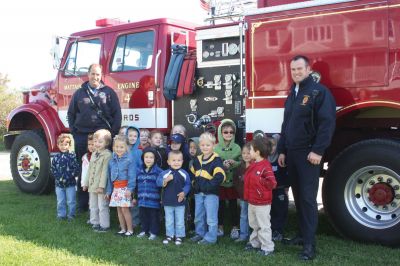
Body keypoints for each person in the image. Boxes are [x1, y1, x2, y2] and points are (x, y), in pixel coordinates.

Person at [277, 55, 336, 260]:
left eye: (299, 69)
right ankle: (302, 236)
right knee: (299, 197)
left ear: (309, 69)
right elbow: (286, 125)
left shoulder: (319, 92)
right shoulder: (292, 94)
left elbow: (326, 124)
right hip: (292, 154)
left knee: (308, 200)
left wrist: (318, 151)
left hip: (309, 154)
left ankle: (309, 246)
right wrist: (282, 150)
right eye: (293, 69)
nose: (296, 72)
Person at [67, 63, 122, 213]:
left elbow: (117, 115)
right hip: (82, 137)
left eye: (98, 74)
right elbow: (71, 114)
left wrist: (111, 134)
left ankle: (105, 204)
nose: (95, 77)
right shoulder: (79, 93)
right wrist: (74, 133)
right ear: (88, 74)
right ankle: (83, 204)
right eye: (93, 74)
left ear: (101, 75)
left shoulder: (109, 92)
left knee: (103, 170)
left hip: (103, 138)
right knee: (84, 170)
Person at [190, 132, 226, 245]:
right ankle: (200, 234)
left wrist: (207, 187)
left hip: (211, 194)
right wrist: (194, 185)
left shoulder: (216, 160)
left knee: (211, 217)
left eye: (208, 145)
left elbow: (220, 176)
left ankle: (211, 238)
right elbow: (192, 174)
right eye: (202, 145)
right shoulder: (197, 160)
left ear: (213, 145)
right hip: (198, 194)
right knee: (198, 216)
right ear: (199, 146)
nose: (205, 147)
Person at [244, 138, 277, 256]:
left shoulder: (265, 166)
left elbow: (272, 183)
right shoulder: (253, 164)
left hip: (262, 203)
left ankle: (267, 248)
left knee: (264, 225)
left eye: (251, 150)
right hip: (252, 201)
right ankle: (255, 243)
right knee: (254, 224)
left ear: (257, 152)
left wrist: (259, 181)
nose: (249, 152)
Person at [214, 119, 241, 239]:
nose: (229, 134)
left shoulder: (237, 148)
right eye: (225, 132)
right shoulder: (216, 148)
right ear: (220, 133)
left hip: (233, 182)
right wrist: (221, 165)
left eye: (231, 132)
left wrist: (234, 163)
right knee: (219, 205)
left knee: (233, 205)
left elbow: (242, 162)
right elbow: (213, 163)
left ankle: (235, 227)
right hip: (220, 183)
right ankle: (220, 226)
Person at [157, 150, 191, 245]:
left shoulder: (184, 173)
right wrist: (166, 180)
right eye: (174, 160)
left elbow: (188, 184)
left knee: (180, 220)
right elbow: (158, 182)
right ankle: (170, 235)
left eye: (179, 160)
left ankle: (179, 236)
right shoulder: (165, 173)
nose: (176, 162)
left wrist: (184, 192)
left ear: (182, 161)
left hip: (180, 201)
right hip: (167, 201)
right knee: (169, 220)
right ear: (168, 162)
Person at [83, 129, 113, 232]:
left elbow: (105, 172)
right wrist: (85, 183)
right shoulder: (94, 154)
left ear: (107, 143)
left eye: (100, 142)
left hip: (101, 187)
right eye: (95, 141)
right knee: (93, 205)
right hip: (92, 185)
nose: (97, 144)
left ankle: (104, 225)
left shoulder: (107, 155)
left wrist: (101, 186)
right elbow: (90, 170)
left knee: (102, 206)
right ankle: (94, 222)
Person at [106, 135, 136, 237]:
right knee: (119, 209)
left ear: (126, 147)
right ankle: (123, 229)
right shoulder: (112, 161)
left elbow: (132, 176)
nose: (119, 149)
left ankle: (130, 230)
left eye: (121, 147)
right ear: (113, 147)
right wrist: (109, 191)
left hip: (125, 188)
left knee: (125, 209)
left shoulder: (129, 160)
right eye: (117, 147)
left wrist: (130, 189)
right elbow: (109, 178)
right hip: (116, 188)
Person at [51, 134, 80, 221]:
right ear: (58, 145)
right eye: (61, 144)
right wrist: (58, 177)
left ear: (69, 145)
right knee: (60, 201)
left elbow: (76, 169)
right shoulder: (56, 158)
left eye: (65, 144)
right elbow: (53, 169)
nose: (63, 147)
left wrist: (68, 177)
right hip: (59, 185)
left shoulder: (72, 157)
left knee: (71, 201)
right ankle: (61, 215)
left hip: (70, 184)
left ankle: (71, 215)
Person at [136, 147, 163, 240]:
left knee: (153, 217)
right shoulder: (139, 171)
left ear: (155, 159)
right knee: (143, 216)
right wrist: (135, 197)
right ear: (143, 158)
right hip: (142, 199)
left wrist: (161, 199)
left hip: (154, 200)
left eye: (151, 157)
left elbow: (162, 186)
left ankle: (153, 232)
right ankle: (144, 230)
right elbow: (136, 185)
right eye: (146, 157)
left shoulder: (159, 172)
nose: (148, 159)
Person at [268, 134, 290, 242]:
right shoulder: (264, 159)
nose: (270, 148)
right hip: (268, 191)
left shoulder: (281, 159)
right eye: (268, 145)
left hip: (280, 189)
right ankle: (270, 230)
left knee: (280, 210)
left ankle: (278, 231)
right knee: (269, 210)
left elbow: (287, 174)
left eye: (273, 145)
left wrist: (286, 187)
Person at [232, 142, 252, 242]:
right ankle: (243, 235)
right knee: (243, 215)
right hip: (243, 197)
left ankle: (253, 237)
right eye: (244, 153)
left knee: (253, 218)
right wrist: (239, 190)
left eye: (248, 153)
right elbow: (235, 179)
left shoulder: (255, 166)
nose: (246, 155)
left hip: (253, 198)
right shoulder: (240, 167)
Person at [126, 126, 143, 229]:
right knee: (125, 201)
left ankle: (135, 221)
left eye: (135, 136)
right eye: (130, 135)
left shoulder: (139, 152)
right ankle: (126, 220)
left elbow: (141, 166)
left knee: (134, 201)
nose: (132, 138)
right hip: (124, 180)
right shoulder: (124, 150)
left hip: (135, 180)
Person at [80, 133, 95, 223]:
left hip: (97, 183)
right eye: (89, 144)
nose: (91, 146)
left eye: (93, 144)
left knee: (99, 203)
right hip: (89, 183)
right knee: (91, 201)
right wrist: (84, 183)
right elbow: (84, 172)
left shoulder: (99, 156)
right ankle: (92, 217)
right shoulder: (85, 157)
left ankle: (99, 218)